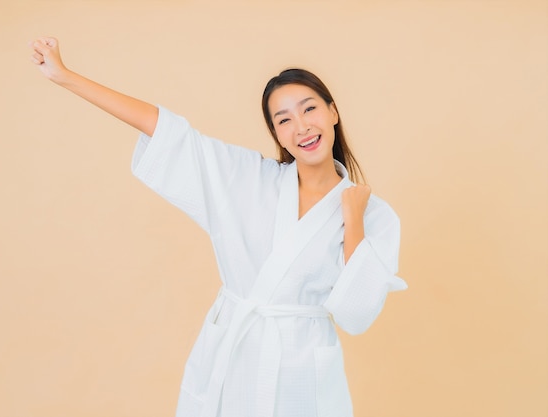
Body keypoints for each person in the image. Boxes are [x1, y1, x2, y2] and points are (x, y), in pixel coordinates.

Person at [30, 37, 407, 417]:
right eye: (284, 119)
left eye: (310, 109)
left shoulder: (375, 216)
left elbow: (355, 314)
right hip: (234, 355)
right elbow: (168, 133)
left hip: (301, 373)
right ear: (276, 134)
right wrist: (65, 77)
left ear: (333, 112)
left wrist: (353, 217)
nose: (302, 127)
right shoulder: (249, 179)